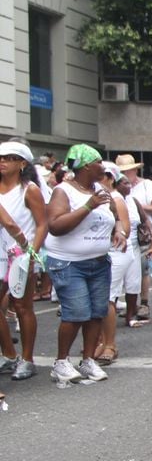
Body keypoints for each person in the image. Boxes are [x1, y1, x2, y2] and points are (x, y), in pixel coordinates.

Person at [44, 144, 119, 385]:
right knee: (76, 313)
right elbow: (55, 226)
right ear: (86, 166)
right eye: (99, 161)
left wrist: (119, 231)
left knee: (96, 312)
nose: (103, 166)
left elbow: (114, 216)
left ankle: (88, 360)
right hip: (69, 263)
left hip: (98, 262)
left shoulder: (101, 190)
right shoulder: (63, 191)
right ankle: (61, 362)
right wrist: (88, 206)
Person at [0, 141, 47, 380]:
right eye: (1, 157)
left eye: (8, 157)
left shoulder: (29, 190)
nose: (2, 161)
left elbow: (42, 225)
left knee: (22, 307)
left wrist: (32, 254)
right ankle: (9, 355)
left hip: (20, 255)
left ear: (22, 163)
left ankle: (27, 359)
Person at [94, 164, 135, 365]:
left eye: (103, 176)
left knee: (108, 298)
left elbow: (124, 228)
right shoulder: (95, 197)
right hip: (100, 253)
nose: (99, 179)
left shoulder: (116, 198)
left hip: (116, 252)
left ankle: (109, 344)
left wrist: (114, 234)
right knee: (99, 299)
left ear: (111, 178)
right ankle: (99, 340)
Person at [115, 154, 152, 318]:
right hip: (125, 235)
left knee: (142, 269)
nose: (127, 174)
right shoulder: (117, 191)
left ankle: (144, 302)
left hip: (141, 234)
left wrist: (137, 206)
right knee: (128, 272)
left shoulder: (146, 185)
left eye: (129, 170)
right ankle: (131, 305)